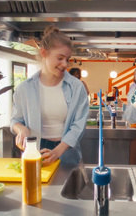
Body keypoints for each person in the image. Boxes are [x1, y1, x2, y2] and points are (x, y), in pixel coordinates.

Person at [11, 26, 89, 166]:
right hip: (36, 151)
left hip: (66, 150)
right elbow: (15, 120)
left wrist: (57, 151)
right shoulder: (25, 88)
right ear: (44, 53)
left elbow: (78, 126)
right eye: (60, 58)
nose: (65, 64)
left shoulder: (77, 87)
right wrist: (21, 129)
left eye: (67, 59)